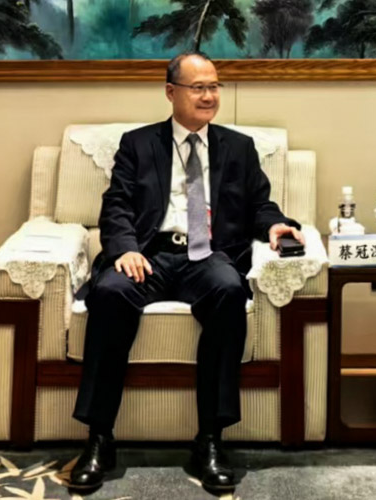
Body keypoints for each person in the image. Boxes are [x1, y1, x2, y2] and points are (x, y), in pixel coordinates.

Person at [68, 51, 304, 492]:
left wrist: (274, 225)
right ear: (170, 92)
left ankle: (209, 440)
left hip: (208, 255)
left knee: (229, 290)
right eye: (198, 88)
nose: (209, 96)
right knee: (111, 292)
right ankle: (99, 438)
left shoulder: (238, 147)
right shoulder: (138, 144)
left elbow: (259, 204)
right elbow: (116, 204)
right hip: (150, 253)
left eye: (214, 87)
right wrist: (124, 249)